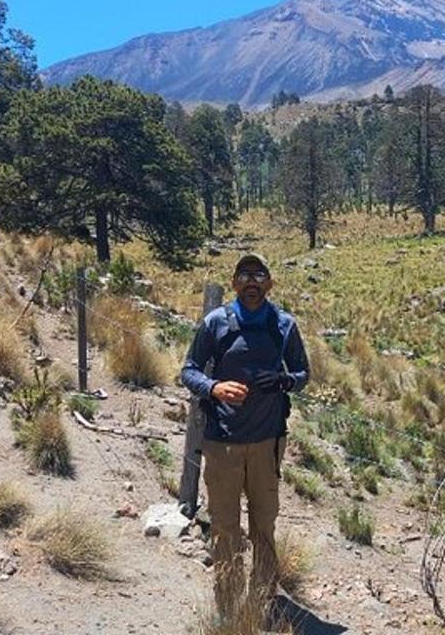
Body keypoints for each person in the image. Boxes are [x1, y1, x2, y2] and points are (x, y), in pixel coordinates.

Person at [181, 253, 310, 619]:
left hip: (268, 442)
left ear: (269, 283)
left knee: (264, 524)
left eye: (259, 274)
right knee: (224, 526)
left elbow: (303, 373)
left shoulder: (284, 325)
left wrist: (286, 381)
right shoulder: (215, 323)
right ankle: (228, 603)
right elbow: (188, 370)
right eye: (245, 275)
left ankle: (263, 600)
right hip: (222, 442)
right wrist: (215, 387)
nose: (252, 281)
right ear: (235, 283)